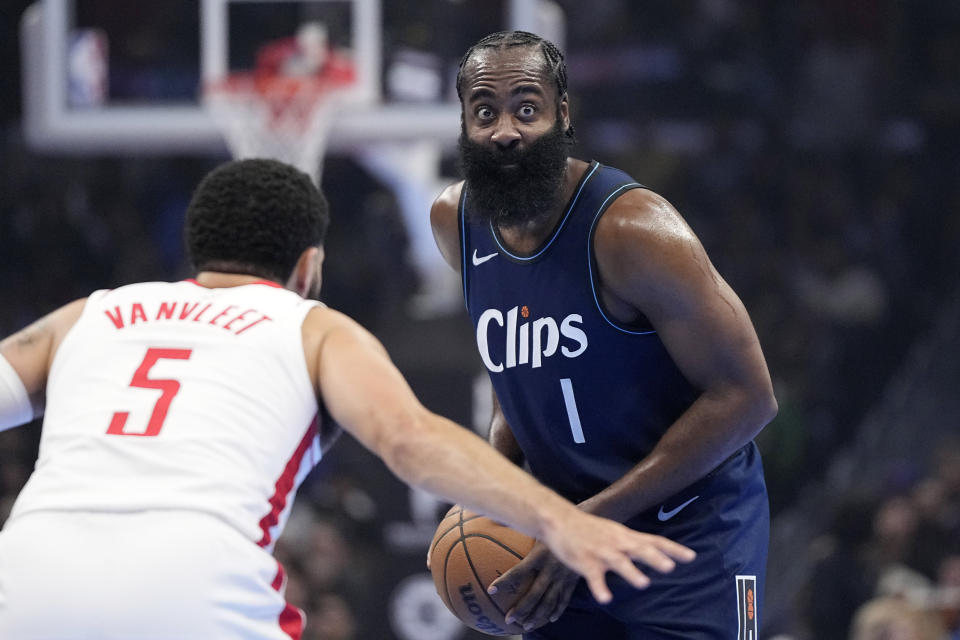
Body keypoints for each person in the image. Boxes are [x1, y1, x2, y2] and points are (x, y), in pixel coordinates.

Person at [0, 159, 695, 639]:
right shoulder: (312, 327)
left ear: (195, 253)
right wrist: (558, 520)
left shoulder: (87, 315)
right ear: (310, 267)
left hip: (24, 579)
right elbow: (410, 440)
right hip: (192, 578)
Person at [430, 31, 778, 638]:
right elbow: (516, 383)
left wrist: (587, 521)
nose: (506, 129)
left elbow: (749, 398)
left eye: (527, 107)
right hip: (568, 538)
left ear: (563, 115)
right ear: (463, 123)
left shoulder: (633, 230)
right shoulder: (455, 223)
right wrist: (495, 489)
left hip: (690, 538)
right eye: (485, 111)